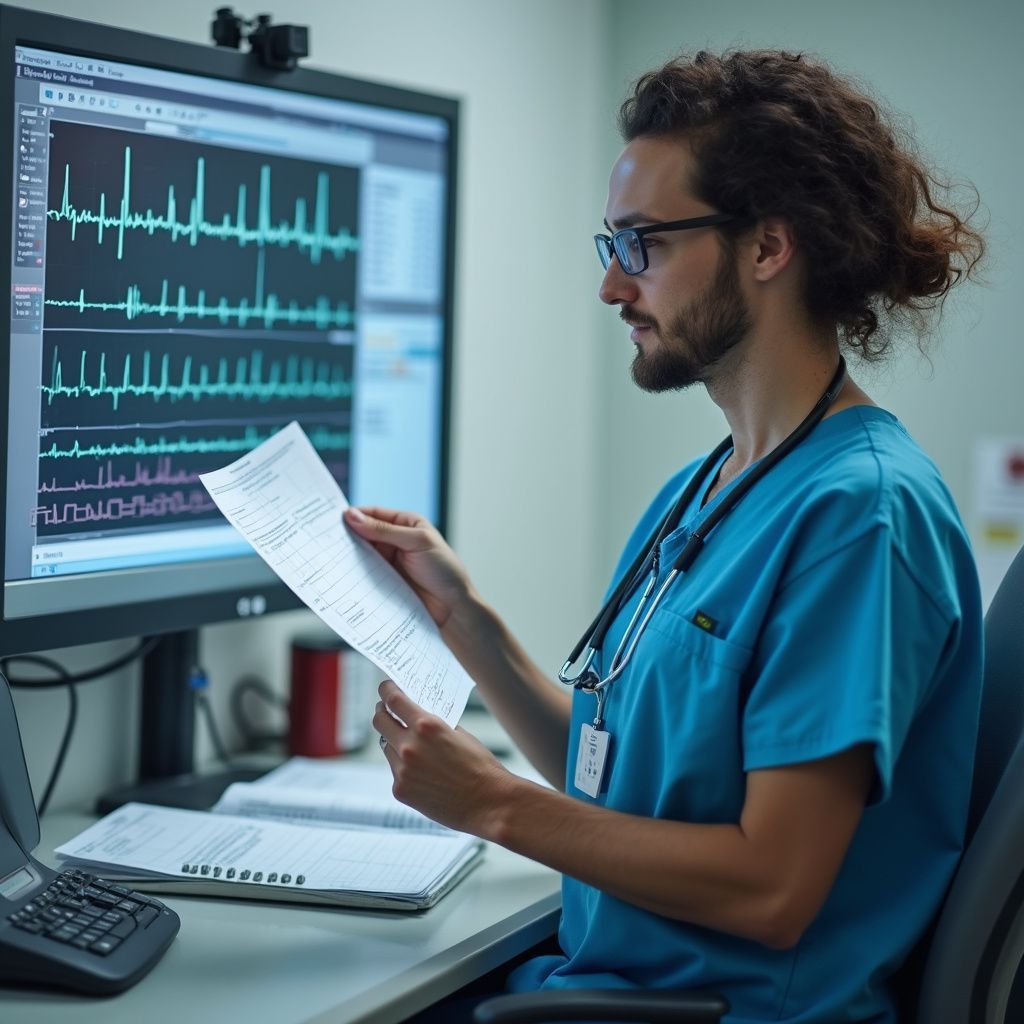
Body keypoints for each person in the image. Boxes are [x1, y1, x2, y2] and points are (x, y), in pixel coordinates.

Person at [343, 49, 985, 1023]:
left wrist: (492, 805)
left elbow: (771, 888)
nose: (611, 286)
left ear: (768, 246)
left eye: (641, 244)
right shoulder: (709, 488)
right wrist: (461, 617)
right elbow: (619, 778)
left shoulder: (861, 516)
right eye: (610, 244)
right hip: (608, 987)